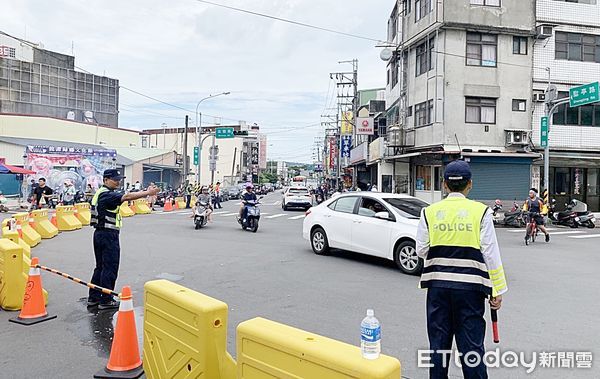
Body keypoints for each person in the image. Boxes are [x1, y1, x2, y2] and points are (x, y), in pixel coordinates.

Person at [416, 160, 507, 378]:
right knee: (472, 348)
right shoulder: (481, 212)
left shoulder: (429, 212)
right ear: (469, 185)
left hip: (437, 288)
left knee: (438, 347)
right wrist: (497, 291)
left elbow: (421, 250)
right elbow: (490, 254)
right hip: (471, 290)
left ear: (445, 185)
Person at [87, 169, 159, 309]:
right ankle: (106, 300)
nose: (118, 181)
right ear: (106, 179)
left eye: (119, 179)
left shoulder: (100, 193)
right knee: (109, 267)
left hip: (100, 234)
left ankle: (94, 298)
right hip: (108, 235)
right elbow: (127, 197)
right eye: (115, 179)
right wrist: (148, 193)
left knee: (100, 268)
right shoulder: (106, 195)